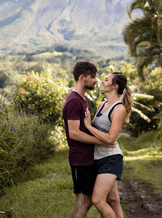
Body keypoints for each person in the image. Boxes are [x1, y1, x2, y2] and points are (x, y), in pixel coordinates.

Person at [63, 61, 116, 218]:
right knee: (82, 203)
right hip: (80, 159)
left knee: (91, 200)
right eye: (93, 77)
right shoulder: (74, 101)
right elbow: (74, 133)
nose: (96, 81)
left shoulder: (83, 99)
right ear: (82, 78)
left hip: (88, 158)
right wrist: (102, 141)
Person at [83, 72, 132, 218]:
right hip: (98, 157)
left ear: (115, 86)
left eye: (106, 80)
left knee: (98, 200)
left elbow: (111, 138)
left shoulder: (119, 109)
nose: (102, 82)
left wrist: (89, 126)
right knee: (113, 200)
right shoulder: (101, 104)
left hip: (111, 158)